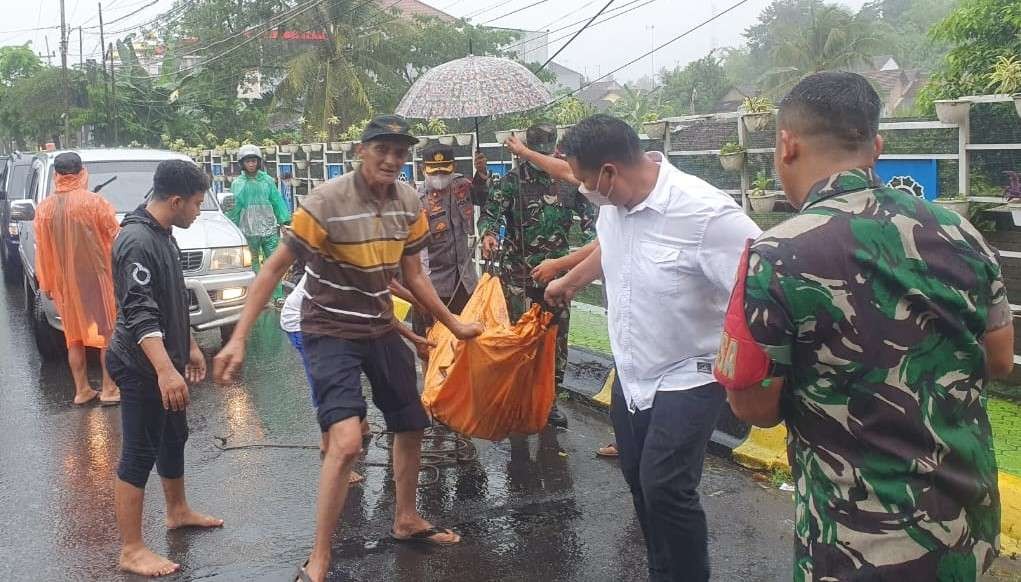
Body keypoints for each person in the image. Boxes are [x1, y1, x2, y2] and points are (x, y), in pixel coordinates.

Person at [718, 72, 1014, 581]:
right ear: (876, 147)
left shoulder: (777, 254)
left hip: (857, 547)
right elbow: (1000, 359)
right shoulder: (958, 230)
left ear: (786, 145)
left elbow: (754, 407)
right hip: (968, 531)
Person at [213, 115, 483, 582]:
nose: (392, 159)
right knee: (346, 442)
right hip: (329, 330)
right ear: (362, 150)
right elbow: (275, 268)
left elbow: (414, 276)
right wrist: (238, 337)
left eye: (400, 152)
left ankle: (405, 518)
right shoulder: (325, 202)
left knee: (411, 422)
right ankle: (319, 555)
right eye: (383, 149)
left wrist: (453, 323)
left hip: (379, 327)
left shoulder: (408, 200)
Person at [546, 114, 761, 581]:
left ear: (609, 172)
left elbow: (760, 287)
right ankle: (662, 570)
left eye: (584, 180)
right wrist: (569, 280)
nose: (581, 188)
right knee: (640, 482)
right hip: (633, 369)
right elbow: (611, 246)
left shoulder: (707, 214)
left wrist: (754, 373)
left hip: (693, 369)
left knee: (665, 486)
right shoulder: (614, 204)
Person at [108, 160, 223, 577]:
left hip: (167, 357)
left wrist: (189, 346)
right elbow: (139, 313)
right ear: (175, 200)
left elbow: (171, 297)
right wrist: (164, 370)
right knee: (139, 451)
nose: (198, 210)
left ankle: (177, 510)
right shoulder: (137, 241)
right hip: (140, 364)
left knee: (174, 436)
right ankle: (131, 549)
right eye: (195, 203)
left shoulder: (163, 233)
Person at [479, 123, 598, 428]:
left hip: (557, 279)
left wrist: (574, 261)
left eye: (548, 150)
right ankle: (519, 401)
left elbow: (593, 228)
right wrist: (488, 235)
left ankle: (549, 402)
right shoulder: (510, 182)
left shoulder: (569, 183)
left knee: (556, 341)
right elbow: (491, 213)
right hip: (517, 277)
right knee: (520, 341)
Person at [34, 151, 121, 405]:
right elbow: (116, 236)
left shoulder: (44, 209)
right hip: (98, 279)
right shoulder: (95, 203)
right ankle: (109, 388)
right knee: (107, 334)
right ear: (82, 171)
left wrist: (47, 283)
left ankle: (82, 390)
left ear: (56, 175)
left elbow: (43, 251)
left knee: (73, 338)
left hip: (66, 285)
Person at [410, 142, 489, 340]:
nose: (439, 177)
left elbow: (484, 198)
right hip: (432, 286)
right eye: (434, 171)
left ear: (453, 167)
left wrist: (481, 173)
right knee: (432, 343)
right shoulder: (415, 200)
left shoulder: (462, 187)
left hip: (464, 281)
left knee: (467, 342)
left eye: (444, 171)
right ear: (423, 169)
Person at [226, 144, 292, 304]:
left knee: (274, 262)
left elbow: (277, 202)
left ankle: (277, 296)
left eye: (254, 161)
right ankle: (258, 296)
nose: (251, 164)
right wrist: (231, 228)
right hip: (248, 230)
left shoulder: (268, 181)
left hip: (269, 229)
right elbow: (234, 208)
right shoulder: (238, 184)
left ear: (259, 162)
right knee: (252, 263)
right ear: (242, 163)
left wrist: (284, 222)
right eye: (248, 161)